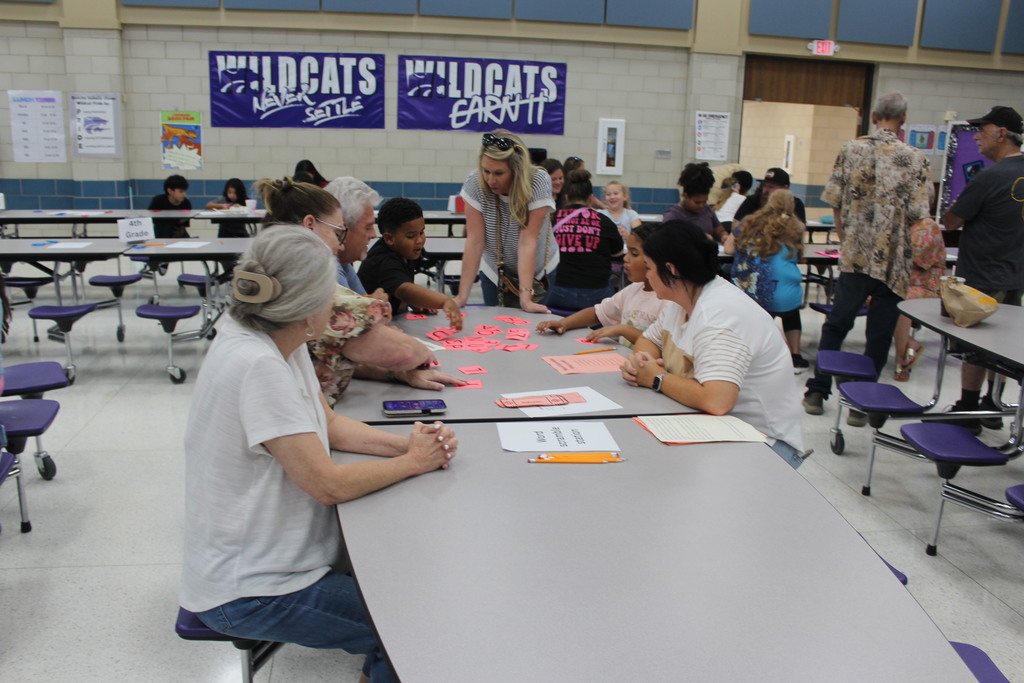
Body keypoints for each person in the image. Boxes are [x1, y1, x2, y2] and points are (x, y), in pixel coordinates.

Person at [180, 226, 458, 683]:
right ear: (309, 310)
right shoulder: (259, 366)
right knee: (414, 629)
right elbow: (326, 485)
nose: (338, 300)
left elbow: (325, 424)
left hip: (270, 564)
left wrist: (409, 443)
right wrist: (413, 463)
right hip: (251, 589)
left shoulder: (268, 338)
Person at [255, 177, 463, 404]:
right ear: (309, 226)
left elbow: (341, 349)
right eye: (338, 232)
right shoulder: (313, 290)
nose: (340, 245)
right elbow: (406, 351)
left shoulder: (274, 277)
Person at [620, 221, 805, 468]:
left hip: (763, 443)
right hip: (716, 426)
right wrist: (642, 364)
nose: (648, 276)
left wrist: (657, 378)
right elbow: (648, 340)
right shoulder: (681, 299)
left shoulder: (720, 315)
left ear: (671, 270)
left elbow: (717, 401)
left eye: (650, 268)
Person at [803, 91, 932, 421]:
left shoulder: (850, 149)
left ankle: (818, 391)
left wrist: (847, 241)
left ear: (874, 117)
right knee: (879, 333)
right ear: (903, 119)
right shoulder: (916, 158)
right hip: (895, 261)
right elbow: (920, 213)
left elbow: (834, 199)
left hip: (856, 257)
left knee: (837, 324)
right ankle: (861, 404)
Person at [940, 105, 1024, 432]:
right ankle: (993, 402)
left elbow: (952, 219)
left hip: (982, 277)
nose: (976, 136)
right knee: (1003, 343)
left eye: (982, 130)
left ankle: (968, 408)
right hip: (1016, 275)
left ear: (1001, 133)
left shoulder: (989, 177)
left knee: (975, 347)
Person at [456, 130, 558, 312]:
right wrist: (462, 296)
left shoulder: (538, 181)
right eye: (486, 171)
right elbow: (475, 241)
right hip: (494, 267)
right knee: (494, 326)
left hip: (538, 269)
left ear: (516, 170)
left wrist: (526, 298)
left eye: (499, 173)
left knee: (529, 329)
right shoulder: (475, 182)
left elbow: (527, 242)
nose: (490, 180)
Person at [536, 224, 663, 347]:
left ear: (654, 259)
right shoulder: (632, 291)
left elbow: (660, 344)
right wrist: (563, 323)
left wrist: (623, 330)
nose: (625, 258)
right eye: (627, 252)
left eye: (634, 254)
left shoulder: (668, 300)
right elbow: (597, 313)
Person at [724, 189, 808, 371]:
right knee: (791, 309)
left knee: (760, 312)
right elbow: (800, 257)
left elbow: (729, 249)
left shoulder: (749, 222)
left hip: (748, 292)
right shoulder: (797, 228)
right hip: (784, 295)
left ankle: (750, 352)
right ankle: (795, 354)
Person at [358, 197, 462, 329]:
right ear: (389, 238)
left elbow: (398, 289)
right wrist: (444, 301)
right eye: (411, 236)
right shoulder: (384, 260)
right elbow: (405, 290)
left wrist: (415, 303)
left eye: (422, 232)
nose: (419, 240)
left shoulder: (405, 250)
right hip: (367, 327)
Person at [545, 169, 624, 312]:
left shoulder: (551, 218)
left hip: (557, 291)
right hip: (596, 294)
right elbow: (618, 254)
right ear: (590, 198)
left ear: (567, 197)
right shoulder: (605, 222)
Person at [893, 217, 945, 382]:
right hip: (899, 282)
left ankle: (900, 360)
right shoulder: (897, 220)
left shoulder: (927, 226)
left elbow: (916, 259)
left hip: (924, 284)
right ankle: (909, 343)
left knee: (903, 304)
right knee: (878, 299)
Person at [324, 176, 385, 296]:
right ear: (341, 230)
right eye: (368, 227)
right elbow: (354, 313)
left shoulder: (344, 262)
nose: (374, 235)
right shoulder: (328, 267)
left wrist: (370, 303)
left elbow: (360, 306)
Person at [662, 162, 723, 242]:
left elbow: (719, 231)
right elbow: (667, 240)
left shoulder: (707, 210)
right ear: (685, 196)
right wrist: (699, 236)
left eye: (704, 202)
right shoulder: (673, 216)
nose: (702, 206)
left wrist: (723, 236)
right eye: (697, 202)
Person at [732, 168, 807, 227]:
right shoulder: (753, 200)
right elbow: (736, 224)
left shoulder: (795, 204)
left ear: (785, 188)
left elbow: (800, 228)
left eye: (771, 187)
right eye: (765, 186)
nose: (766, 190)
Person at [147, 174, 192, 238]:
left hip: (179, 232)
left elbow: (185, 223)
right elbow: (151, 219)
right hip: (162, 231)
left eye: (184, 191)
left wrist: (181, 232)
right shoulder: (158, 201)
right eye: (181, 191)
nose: (184, 194)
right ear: (170, 191)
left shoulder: (186, 203)